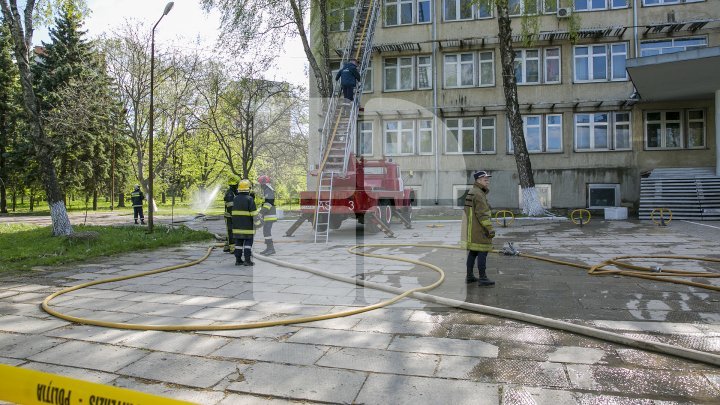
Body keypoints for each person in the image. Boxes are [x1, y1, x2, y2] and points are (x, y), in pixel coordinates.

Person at [461, 170, 496, 286]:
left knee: (473, 252)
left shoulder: (473, 191)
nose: (488, 182)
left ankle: (470, 276)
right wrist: (489, 228)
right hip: (479, 229)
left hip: (471, 229)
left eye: (488, 180)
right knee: (482, 251)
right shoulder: (479, 194)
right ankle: (483, 278)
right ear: (478, 180)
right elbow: (482, 214)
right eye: (485, 180)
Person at [232, 179, 259, 266]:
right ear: (249, 189)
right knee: (248, 244)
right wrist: (258, 224)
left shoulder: (235, 199)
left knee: (238, 245)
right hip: (248, 228)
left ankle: (238, 260)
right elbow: (254, 214)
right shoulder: (249, 199)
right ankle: (247, 260)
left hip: (237, 227)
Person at [257, 175, 277, 255]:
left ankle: (271, 249)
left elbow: (268, 204)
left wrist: (261, 212)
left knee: (267, 232)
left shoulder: (268, 191)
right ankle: (269, 248)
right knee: (266, 232)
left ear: (264, 183)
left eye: (261, 183)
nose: (260, 185)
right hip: (268, 216)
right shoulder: (267, 190)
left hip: (269, 216)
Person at [223, 180, 238, 253]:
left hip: (231, 215)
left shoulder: (233, 192)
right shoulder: (230, 194)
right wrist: (234, 216)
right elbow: (230, 207)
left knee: (229, 232)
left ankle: (227, 247)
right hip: (229, 216)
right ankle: (233, 248)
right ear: (234, 185)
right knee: (231, 231)